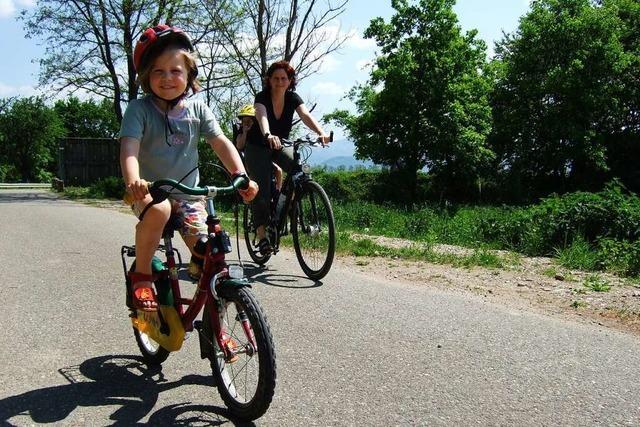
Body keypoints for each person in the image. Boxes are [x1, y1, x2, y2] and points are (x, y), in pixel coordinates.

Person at [119, 25, 258, 311]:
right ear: (146, 76)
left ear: (189, 74)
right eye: (158, 71)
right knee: (159, 210)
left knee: (209, 245)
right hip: (149, 192)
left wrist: (240, 175)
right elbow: (129, 149)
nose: (167, 78)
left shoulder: (199, 110)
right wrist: (134, 182)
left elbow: (220, 143)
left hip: (187, 194)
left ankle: (208, 297)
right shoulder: (139, 110)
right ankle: (142, 276)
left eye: (175, 71)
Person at [243, 60, 331, 256]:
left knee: (297, 169)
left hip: (280, 144)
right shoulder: (262, 97)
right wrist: (267, 134)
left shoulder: (293, 98)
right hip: (258, 146)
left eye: (284, 78)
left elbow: (306, 115)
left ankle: (286, 208)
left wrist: (321, 132)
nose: (280, 82)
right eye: (276, 78)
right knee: (262, 191)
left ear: (290, 81)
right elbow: (262, 116)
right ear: (269, 80)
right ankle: (262, 234)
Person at [234, 104, 283, 192]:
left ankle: (279, 191)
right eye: (244, 121)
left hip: (263, 158)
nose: (246, 123)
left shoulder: (261, 131)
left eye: (249, 120)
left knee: (278, 170)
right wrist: (245, 132)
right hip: (247, 160)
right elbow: (239, 145)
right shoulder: (241, 131)